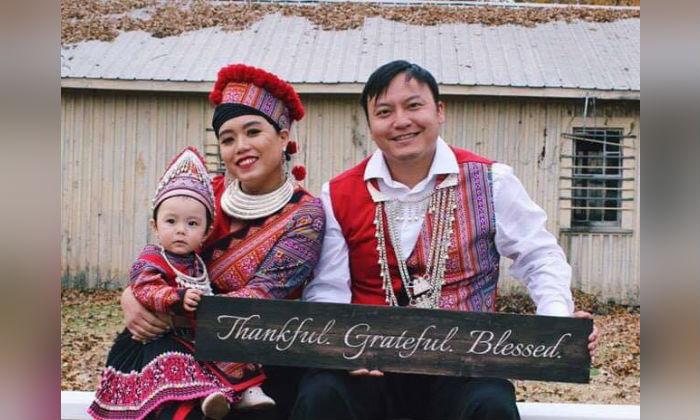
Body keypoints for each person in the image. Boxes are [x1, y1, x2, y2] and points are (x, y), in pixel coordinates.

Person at [295, 60, 600, 420]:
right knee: (322, 394)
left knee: (490, 405)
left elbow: (539, 256)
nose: (401, 121)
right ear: (371, 124)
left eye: (413, 106)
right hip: (370, 360)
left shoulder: (492, 181)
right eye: (384, 111)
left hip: (467, 360)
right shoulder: (340, 192)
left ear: (439, 111)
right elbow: (329, 287)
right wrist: (341, 348)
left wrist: (556, 320)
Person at [120, 64, 325, 419]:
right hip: (180, 354)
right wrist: (133, 293)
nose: (240, 147)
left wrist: (175, 312)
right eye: (228, 138)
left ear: (283, 135)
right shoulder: (206, 194)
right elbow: (162, 255)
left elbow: (261, 297)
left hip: (261, 365)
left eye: (253, 131)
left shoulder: (305, 216)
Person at [89, 147, 245, 419]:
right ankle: (193, 398)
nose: (181, 230)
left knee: (206, 363)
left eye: (192, 223)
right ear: (155, 225)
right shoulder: (151, 258)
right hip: (155, 338)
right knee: (168, 365)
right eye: (171, 221)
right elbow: (145, 287)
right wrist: (176, 297)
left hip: (192, 336)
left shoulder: (199, 264)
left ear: (207, 232)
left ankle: (211, 396)